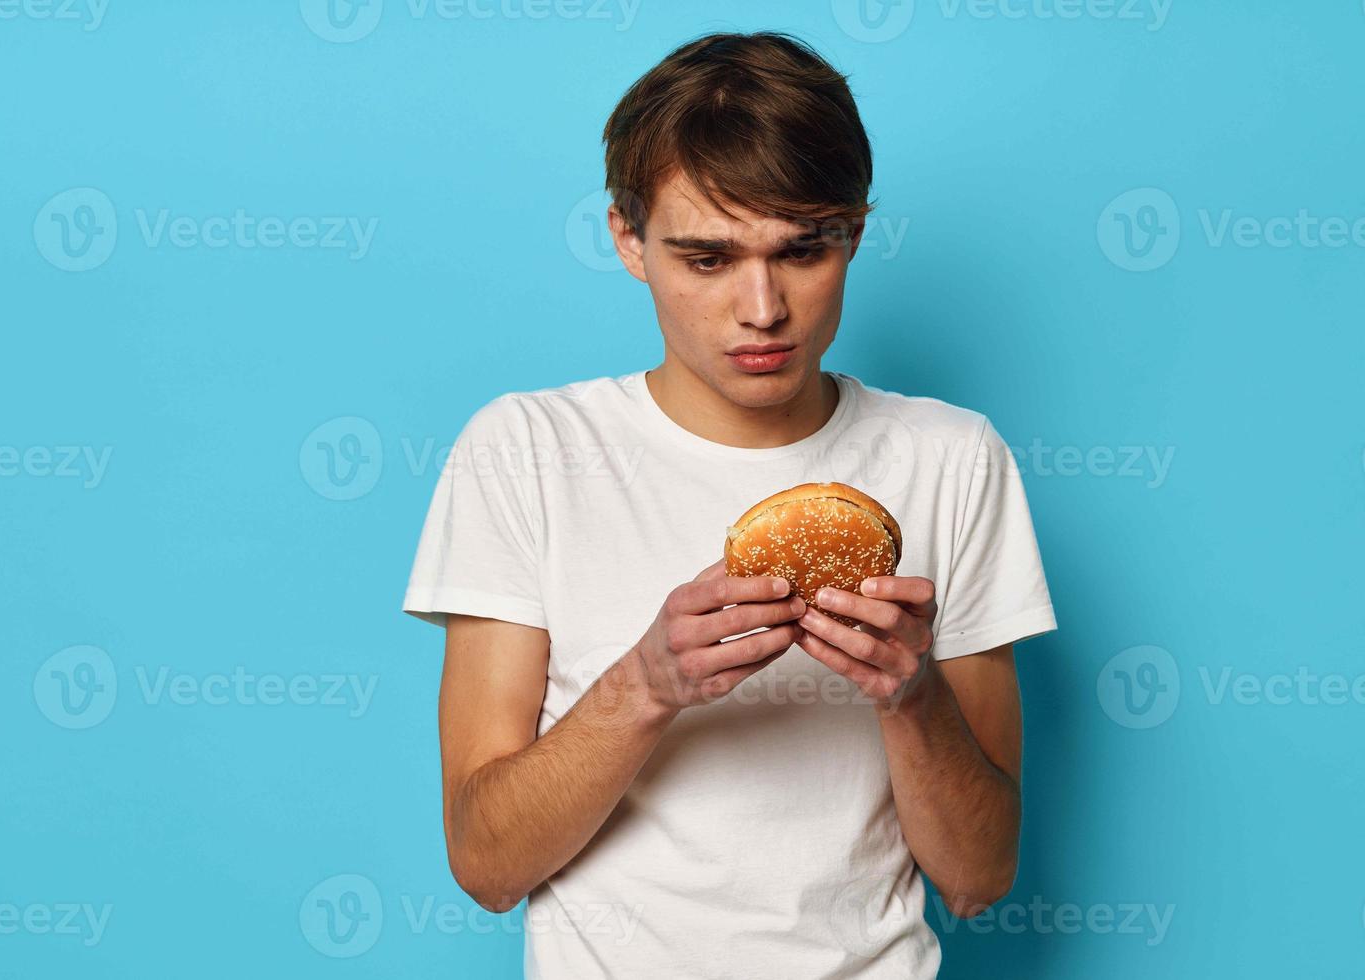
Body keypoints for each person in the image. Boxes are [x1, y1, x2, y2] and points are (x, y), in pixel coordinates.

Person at [402, 30, 1057, 979]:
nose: (761, 307)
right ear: (629, 239)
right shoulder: (525, 453)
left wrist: (911, 695)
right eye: (707, 258)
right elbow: (487, 863)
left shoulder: (953, 458)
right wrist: (649, 684)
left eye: (802, 251)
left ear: (856, 234)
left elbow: (979, 877)